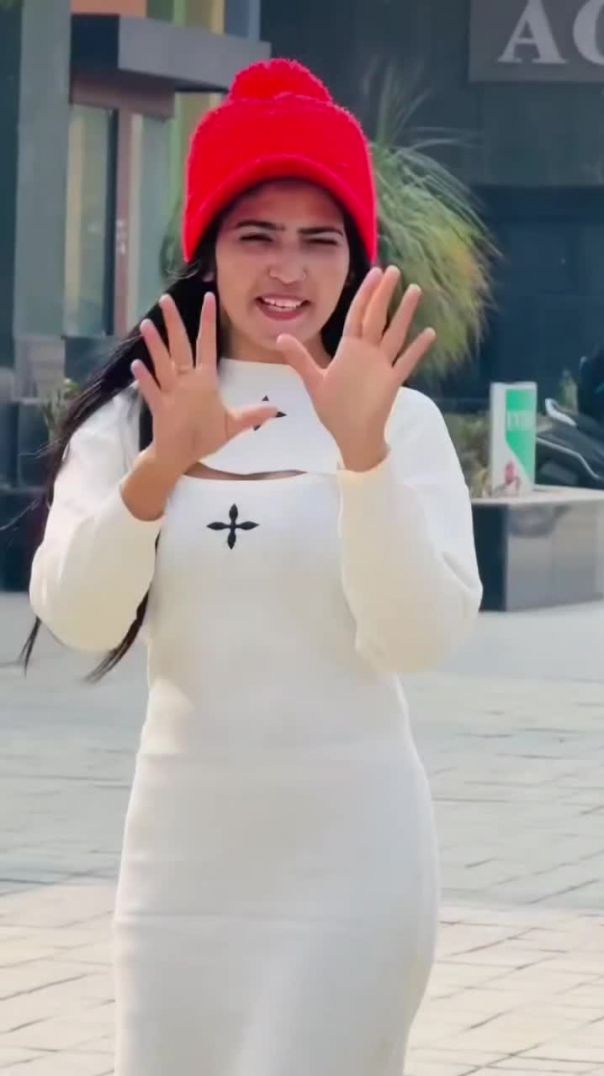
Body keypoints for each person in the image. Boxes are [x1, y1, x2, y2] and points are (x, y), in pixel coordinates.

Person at [25, 58, 483, 1076]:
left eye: (320, 239)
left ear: (355, 256)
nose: (289, 267)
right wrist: (161, 467)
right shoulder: (135, 415)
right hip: (181, 868)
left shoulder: (399, 421)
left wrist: (361, 457)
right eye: (257, 235)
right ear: (208, 249)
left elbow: (416, 636)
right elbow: (79, 616)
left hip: (355, 861)